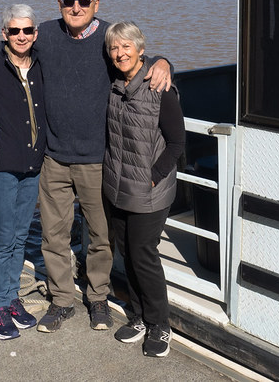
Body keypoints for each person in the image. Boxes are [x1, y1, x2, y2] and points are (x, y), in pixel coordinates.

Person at [32, 0, 172, 334]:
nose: (75, 8)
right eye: (68, 2)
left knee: (101, 238)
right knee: (54, 236)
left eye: (82, 2)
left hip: (99, 161)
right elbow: (0, 51)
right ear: (58, 3)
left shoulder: (109, 38)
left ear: (96, 4)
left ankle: (98, 299)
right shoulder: (44, 35)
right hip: (55, 159)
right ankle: (61, 300)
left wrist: (163, 60)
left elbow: (137, 55)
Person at [103, 21, 184, 358]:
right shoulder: (114, 85)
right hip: (117, 187)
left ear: (139, 48)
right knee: (127, 254)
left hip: (150, 191)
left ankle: (159, 325)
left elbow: (177, 142)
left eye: (126, 47)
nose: (120, 53)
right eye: (114, 48)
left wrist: (154, 176)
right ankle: (138, 317)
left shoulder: (159, 87)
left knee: (143, 255)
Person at [0, 4, 46, 340]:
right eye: (15, 31)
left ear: (35, 33)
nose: (22, 36)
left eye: (28, 30)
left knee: (20, 237)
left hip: (33, 166)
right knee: (3, 239)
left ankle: (11, 296)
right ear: (4, 33)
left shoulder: (41, 65)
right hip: (1, 168)